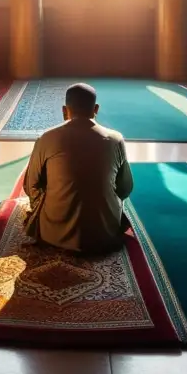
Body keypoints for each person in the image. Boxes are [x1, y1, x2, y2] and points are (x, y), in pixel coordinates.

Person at [23, 82, 134, 254]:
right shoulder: (116, 139)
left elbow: (31, 186)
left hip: (53, 235)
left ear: (64, 110)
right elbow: (125, 188)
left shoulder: (46, 138)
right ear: (96, 109)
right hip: (105, 234)